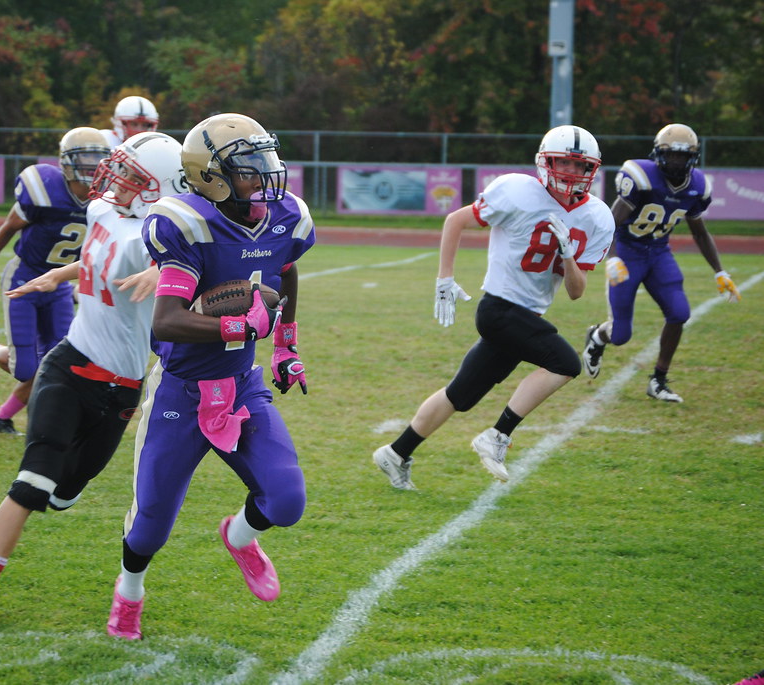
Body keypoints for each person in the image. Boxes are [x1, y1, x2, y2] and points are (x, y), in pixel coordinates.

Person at [0, 131, 184, 625]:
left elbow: (188, 265)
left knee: (64, 495)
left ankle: (53, 498)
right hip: (70, 367)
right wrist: (59, 275)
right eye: (118, 169)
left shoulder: (156, 240)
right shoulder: (108, 213)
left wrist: (170, 267)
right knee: (33, 484)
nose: (114, 179)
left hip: (122, 389)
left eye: (130, 175)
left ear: (159, 188)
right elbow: (106, 255)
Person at [105, 112, 314, 641]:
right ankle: (129, 593)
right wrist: (242, 323)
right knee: (151, 525)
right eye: (250, 167)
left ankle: (240, 536)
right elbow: (168, 320)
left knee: (286, 501)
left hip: (242, 387)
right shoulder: (186, 224)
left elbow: (284, 270)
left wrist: (285, 344)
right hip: (180, 391)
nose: (265, 175)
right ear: (212, 177)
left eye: (266, 160)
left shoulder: (285, 216)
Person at [372, 125, 614, 489]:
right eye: (563, 162)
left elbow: (576, 292)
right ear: (545, 162)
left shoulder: (597, 216)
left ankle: (395, 452)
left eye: (579, 166)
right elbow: (456, 220)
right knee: (565, 363)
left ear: (591, 171)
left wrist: (568, 255)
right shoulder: (517, 191)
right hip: (500, 309)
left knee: (460, 395)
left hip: (527, 318)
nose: (571, 172)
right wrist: (444, 278)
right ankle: (498, 436)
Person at [580, 123, 741, 402]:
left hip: (658, 253)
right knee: (620, 334)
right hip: (628, 253)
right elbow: (610, 223)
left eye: (683, 155)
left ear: (692, 158)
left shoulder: (697, 186)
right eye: (672, 154)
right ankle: (597, 336)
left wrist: (720, 271)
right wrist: (613, 257)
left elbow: (699, 232)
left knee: (680, 313)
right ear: (658, 153)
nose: (677, 161)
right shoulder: (642, 177)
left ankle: (659, 380)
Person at [0, 127, 110, 434]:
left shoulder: (105, 200)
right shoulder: (44, 189)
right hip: (25, 279)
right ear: (67, 161)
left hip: (58, 287)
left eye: (97, 158)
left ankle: (2, 416)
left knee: (56, 363)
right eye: (84, 158)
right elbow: (8, 227)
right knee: (24, 369)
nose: (91, 165)